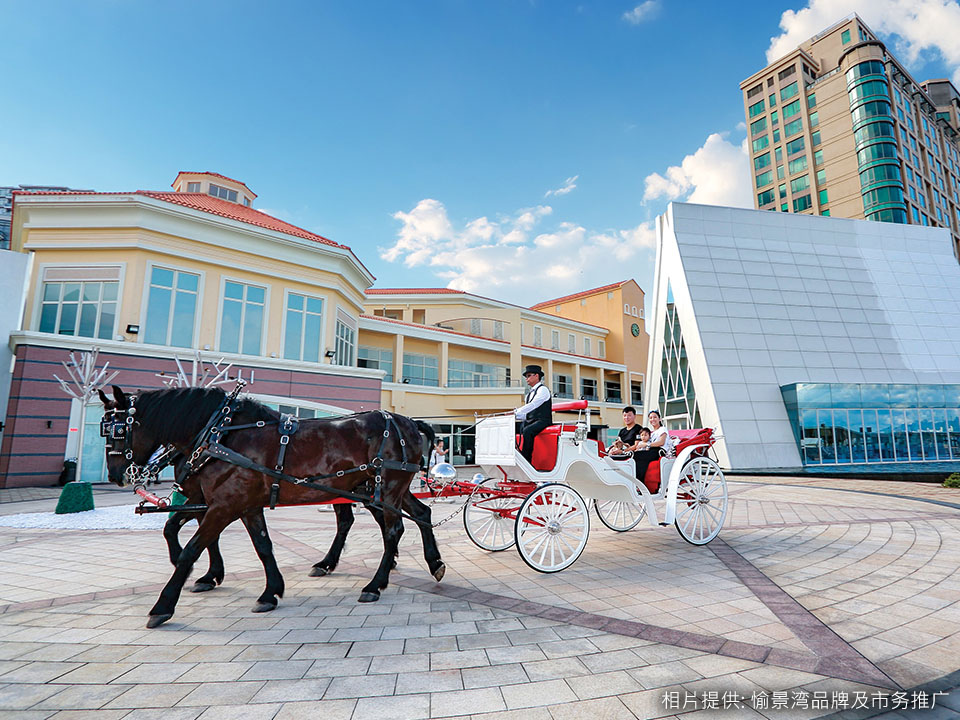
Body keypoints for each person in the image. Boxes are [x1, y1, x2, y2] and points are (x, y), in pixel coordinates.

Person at [514, 364, 552, 463]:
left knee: (527, 431)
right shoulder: (529, 394)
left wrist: (517, 412)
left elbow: (534, 405)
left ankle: (526, 461)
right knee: (513, 427)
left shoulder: (543, 390)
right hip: (531, 420)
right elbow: (528, 414)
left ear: (536, 376)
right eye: (526, 376)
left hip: (543, 420)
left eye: (529, 375)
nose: (526, 379)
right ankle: (515, 455)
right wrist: (513, 416)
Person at [630, 410, 674, 486]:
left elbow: (661, 442)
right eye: (650, 418)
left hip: (659, 451)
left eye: (655, 417)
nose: (652, 419)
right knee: (636, 457)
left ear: (659, 419)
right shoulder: (652, 433)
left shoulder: (662, 429)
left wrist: (647, 445)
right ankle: (640, 483)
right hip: (651, 451)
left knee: (636, 456)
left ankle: (639, 484)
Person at [609, 406, 642, 478]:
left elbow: (636, 445)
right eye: (624, 416)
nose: (626, 418)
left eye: (629, 415)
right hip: (621, 452)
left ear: (634, 416)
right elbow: (617, 443)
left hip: (632, 454)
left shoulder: (638, 429)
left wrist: (623, 451)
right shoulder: (622, 431)